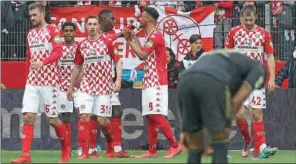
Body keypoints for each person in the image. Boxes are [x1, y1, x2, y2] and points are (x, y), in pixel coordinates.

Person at [178, 49, 267, 164]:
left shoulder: (229, 59)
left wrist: (186, 129)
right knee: (221, 138)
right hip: (213, 80)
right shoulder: (258, 69)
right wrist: (227, 117)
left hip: (185, 80)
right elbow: (238, 99)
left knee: (195, 144)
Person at [11, 3, 69, 163]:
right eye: (30, 16)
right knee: (28, 116)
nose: (32, 18)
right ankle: (25, 155)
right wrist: (26, 79)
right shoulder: (30, 33)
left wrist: (43, 62)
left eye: (35, 15)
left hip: (50, 81)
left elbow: (59, 51)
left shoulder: (52, 30)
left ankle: (66, 149)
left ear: (43, 14)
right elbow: (29, 58)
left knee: (52, 120)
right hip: (33, 81)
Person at [123, 7, 182, 158]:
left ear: (149, 18)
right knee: (150, 115)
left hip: (156, 81)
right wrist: (132, 37)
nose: (139, 19)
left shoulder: (155, 36)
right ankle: (152, 150)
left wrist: (130, 40)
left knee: (156, 114)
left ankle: (175, 145)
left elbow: (142, 55)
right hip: (149, 80)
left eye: (142, 17)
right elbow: (143, 50)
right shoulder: (150, 35)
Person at [225, 5, 278, 159]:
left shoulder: (264, 33)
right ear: (241, 17)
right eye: (246, 19)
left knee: (256, 113)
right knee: (240, 115)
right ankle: (248, 140)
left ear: (256, 17)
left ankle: (260, 149)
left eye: (251, 19)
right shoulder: (234, 32)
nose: (248, 22)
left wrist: (272, 78)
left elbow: (269, 56)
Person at [67, 15, 121, 159]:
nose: (92, 27)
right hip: (86, 87)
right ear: (86, 27)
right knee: (84, 116)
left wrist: (118, 81)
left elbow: (118, 62)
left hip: (104, 87)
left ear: (98, 26)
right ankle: (85, 152)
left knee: (102, 121)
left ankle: (110, 146)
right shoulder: (81, 45)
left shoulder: (107, 42)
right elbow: (77, 67)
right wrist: (71, 86)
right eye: (89, 24)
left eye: (94, 24)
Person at [97, 9, 130, 158]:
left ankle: (116, 148)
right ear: (103, 19)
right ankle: (89, 149)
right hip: (95, 82)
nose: (114, 21)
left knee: (116, 111)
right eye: (112, 18)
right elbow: (114, 36)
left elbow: (119, 34)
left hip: (108, 81)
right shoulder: (97, 36)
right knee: (95, 116)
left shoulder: (109, 36)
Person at [57, 22, 81, 156]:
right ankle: (67, 148)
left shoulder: (80, 47)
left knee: (81, 115)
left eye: (71, 30)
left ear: (75, 32)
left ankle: (81, 147)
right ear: (62, 33)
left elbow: (84, 64)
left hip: (79, 86)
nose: (68, 33)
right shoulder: (58, 48)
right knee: (65, 117)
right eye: (66, 31)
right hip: (62, 87)